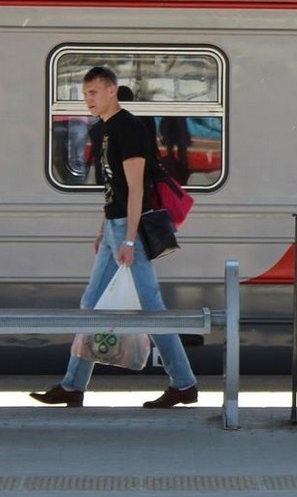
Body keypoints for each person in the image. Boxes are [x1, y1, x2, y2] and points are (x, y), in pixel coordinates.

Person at [30, 67, 198, 408]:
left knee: (152, 308)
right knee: (90, 306)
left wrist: (129, 240)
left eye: (93, 92)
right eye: (85, 93)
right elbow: (113, 189)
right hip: (113, 227)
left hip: (127, 229)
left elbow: (137, 189)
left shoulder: (130, 129)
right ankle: (73, 385)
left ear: (112, 91)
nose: (87, 99)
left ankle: (184, 383)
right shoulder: (101, 130)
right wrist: (103, 230)